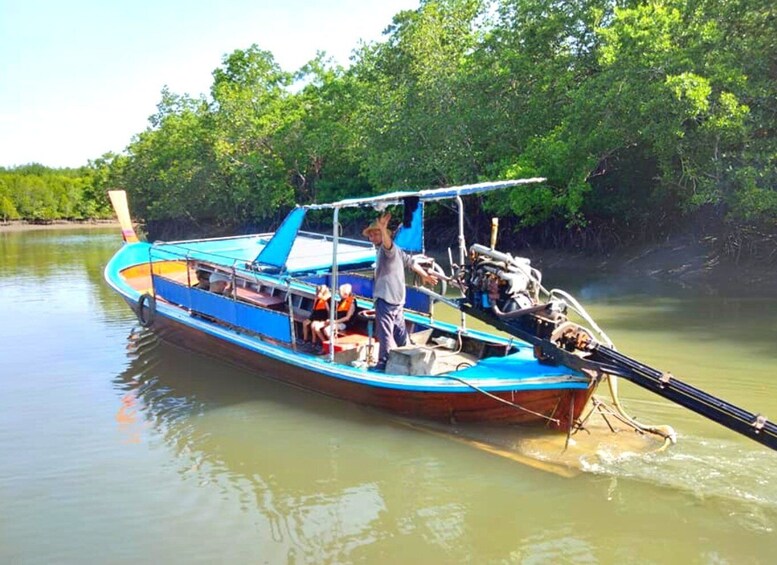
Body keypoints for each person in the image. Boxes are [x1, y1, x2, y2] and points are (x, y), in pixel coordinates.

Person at [363, 212, 438, 370]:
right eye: (371, 234)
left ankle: (383, 363)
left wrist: (383, 228)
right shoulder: (398, 250)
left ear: (384, 235)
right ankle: (409, 354)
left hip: (386, 298)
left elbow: (388, 246)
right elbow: (411, 263)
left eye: (376, 234)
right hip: (397, 299)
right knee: (400, 333)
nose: (373, 237)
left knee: (385, 334)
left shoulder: (387, 250)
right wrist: (424, 275)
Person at [311, 284, 357, 353]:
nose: (338, 294)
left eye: (339, 292)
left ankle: (333, 348)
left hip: (344, 323)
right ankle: (325, 345)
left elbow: (347, 318)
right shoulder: (342, 300)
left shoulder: (352, 303)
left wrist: (334, 321)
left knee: (327, 330)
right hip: (335, 320)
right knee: (316, 326)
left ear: (345, 294)